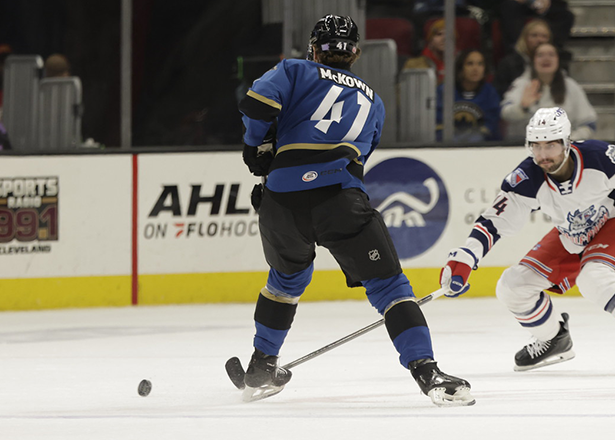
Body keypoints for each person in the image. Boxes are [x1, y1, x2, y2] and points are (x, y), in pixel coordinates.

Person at [236, 14, 473, 406]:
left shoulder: (294, 69)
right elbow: (358, 158)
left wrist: (254, 147)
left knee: (284, 281)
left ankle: (261, 363)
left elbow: (256, 103)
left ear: (314, 47)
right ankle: (427, 372)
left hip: (279, 202)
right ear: (356, 53)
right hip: (338, 200)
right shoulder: (373, 101)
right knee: (390, 287)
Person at [437, 107, 615, 373]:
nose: (543, 155)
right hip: (573, 234)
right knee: (512, 286)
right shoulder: (526, 178)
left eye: (550, 144)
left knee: (594, 278)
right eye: (536, 146)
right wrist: (465, 255)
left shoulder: (601, 157)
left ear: (566, 143)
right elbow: (493, 222)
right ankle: (554, 338)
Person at [501, 43, 596, 140]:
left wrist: (568, 141)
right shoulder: (521, 85)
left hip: (563, 149)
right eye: (540, 55)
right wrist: (522, 107)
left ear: (558, 60)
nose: (546, 59)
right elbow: (505, 114)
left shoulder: (571, 86)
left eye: (551, 55)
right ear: (533, 61)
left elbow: (588, 124)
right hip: (523, 147)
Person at [437, 49, 502, 141]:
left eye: (480, 64)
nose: (475, 69)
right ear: (460, 68)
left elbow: (491, 127)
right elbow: (438, 124)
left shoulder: (490, 93)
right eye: (470, 64)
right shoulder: (445, 91)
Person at [499, 0, 575, 66]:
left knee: (567, 15)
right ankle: (524, 50)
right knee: (510, 5)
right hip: (519, 11)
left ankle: (548, 52)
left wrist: (547, 6)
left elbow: (561, 5)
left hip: (548, 13)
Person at [494, 19, 553, 94]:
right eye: (534, 35)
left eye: (544, 36)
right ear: (525, 39)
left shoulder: (554, 64)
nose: (540, 40)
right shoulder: (508, 64)